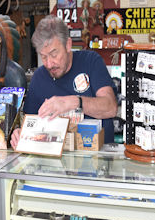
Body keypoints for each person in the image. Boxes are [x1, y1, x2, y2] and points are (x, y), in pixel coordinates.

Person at [10, 15, 117, 147]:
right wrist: (20, 133)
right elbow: (29, 124)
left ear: (68, 45)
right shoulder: (39, 78)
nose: (49, 64)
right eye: (43, 57)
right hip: (57, 162)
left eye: (54, 54)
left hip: (99, 158)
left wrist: (73, 102)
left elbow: (111, 107)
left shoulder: (91, 62)